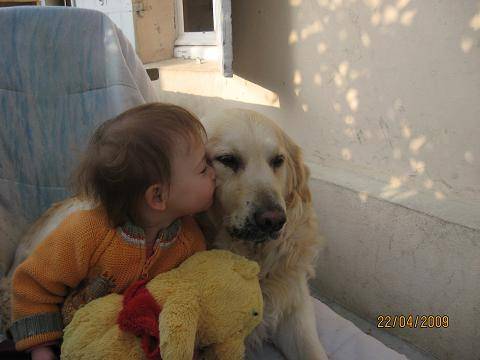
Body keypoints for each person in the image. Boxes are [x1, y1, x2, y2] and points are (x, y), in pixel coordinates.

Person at [9, 103, 216, 360]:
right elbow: (33, 285)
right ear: (158, 196)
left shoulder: (190, 239)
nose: (214, 174)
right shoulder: (85, 233)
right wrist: (41, 349)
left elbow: (187, 299)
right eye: (203, 169)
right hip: (75, 341)